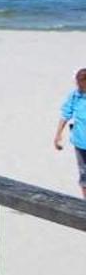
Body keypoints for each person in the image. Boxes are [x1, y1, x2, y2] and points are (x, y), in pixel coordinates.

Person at [55, 68, 86, 200]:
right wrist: (58, 134)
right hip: (80, 142)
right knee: (84, 175)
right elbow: (66, 113)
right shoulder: (75, 95)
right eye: (77, 82)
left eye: (80, 82)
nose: (78, 85)